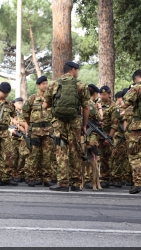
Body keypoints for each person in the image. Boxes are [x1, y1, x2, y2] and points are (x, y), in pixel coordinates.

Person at [43, 61, 90, 192]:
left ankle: (63, 183)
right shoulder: (81, 85)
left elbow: (45, 106)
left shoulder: (54, 84)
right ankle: (76, 183)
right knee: (75, 150)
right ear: (73, 70)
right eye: (77, 70)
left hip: (59, 122)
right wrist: (84, 125)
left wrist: (54, 114)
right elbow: (86, 107)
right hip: (75, 122)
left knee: (61, 150)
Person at [121, 69, 141, 194]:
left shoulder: (138, 87)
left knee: (134, 154)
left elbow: (124, 104)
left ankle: (139, 183)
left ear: (136, 78)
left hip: (139, 126)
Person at [22, 76, 55, 187]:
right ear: (38, 85)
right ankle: (31, 177)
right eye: (43, 83)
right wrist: (31, 125)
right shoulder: (32, 99)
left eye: (47, 83)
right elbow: (25, 114)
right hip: (35, 131)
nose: (45, 85)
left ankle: (46, 178)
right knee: (33, 155)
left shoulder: (51, 99)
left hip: (48, 131)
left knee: (47, 156)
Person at [97, 85, 117, 188]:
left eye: (104, 94)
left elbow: (115, 123)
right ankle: (95, 178)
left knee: (105, 158)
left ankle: (105, 178)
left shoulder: (113, 107)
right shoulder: (97, 105)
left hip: (106, 134)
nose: (102, 96)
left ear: (109, 94)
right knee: (95, 157)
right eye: (101, 94)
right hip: (96, 134)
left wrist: (109, 137)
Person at [83, 84, 103, 188]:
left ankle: (85, 179)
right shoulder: (91, 104)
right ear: (95, 94)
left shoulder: (82, 102)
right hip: (91, 134)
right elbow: (100, 118)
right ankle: (92, 180)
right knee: (94, 158)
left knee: (83, 156)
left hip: (83, 132)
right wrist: (99, 108)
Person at [10, 97, 29, 184]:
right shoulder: (12, 113)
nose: (21, 104)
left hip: (21, 137)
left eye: (22, 103)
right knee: (14, 157)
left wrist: (19, 123)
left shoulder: (23, 113)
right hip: (13, 137)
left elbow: (26, 124)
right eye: (19, 103)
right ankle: (14, 174)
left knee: (22, 156)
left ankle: (20, 174)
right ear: (14, 104)